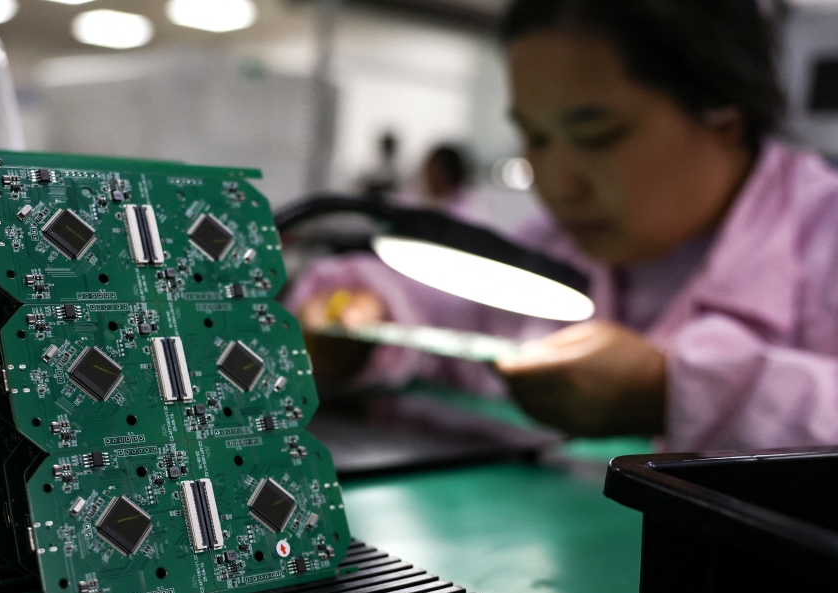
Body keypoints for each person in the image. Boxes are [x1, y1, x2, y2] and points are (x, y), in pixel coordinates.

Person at [288, 0, 838, 452]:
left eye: (599, 136)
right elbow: (444, 310)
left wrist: (676, 393)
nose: (558, 182)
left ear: (725, 121)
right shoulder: (557, 248)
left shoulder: (823, 238)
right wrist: (361, 317)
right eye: (537, 138)